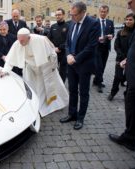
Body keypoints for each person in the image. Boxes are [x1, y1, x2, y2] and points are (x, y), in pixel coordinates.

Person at [108, 0, 135, 168]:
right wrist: (129, 59)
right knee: (131, 110)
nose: (128, 6)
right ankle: (130, 138)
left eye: (130, 1)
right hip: (133, 78)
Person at [0, 28, 69, 117]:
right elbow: (10, 60)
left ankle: (56, 105)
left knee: (49, 87)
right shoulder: (18, 43)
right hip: (30, 68)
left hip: (45, 67)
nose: (20, 42)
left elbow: (52, 53)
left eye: (22, 40)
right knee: (31, 87)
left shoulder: (41, 40)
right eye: (19, 40)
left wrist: (53, 66)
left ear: (29, 37)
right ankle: (35, 106)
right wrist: (5, 71)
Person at [59, 2, 100, 130]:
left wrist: (75, 58)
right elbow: (67, 42)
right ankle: (72, 114)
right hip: (71, 63)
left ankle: (80, 118)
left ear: (83, 12)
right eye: (70, 14)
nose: (72, 17)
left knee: (83, 92)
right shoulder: (72, 23)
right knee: (72, 90)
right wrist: (68, 55)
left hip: (84, 65)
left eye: (74, 15)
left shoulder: (93, 23)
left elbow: (91, 47)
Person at [108, 13, 135, 101]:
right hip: (120, 58)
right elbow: (116, 45)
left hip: (132, 59)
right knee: (117, 76)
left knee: (129, 78)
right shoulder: (121, 32)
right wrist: (122, 56)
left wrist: (128, 58)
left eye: (130, 20)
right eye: (127, 19)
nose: (128, 21)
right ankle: (113, 92)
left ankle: (127, 94)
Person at [93, 5, 115, 93]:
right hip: (97, 47)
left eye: (105, 12)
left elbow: (112, 32)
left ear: (107, 12)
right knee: (99, 66)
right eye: (101, 11)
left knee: (103, 65)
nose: (103, 13)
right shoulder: (94, 22)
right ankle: (99, 83)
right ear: (99, 11)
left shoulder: (110, 22)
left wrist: (111, 36)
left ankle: (95, 80)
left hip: (106, 47)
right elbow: (90, 35)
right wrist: (97, 38)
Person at [48, 8, 70, 82]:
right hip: (54, 52)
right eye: (56, 15)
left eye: (59, 15)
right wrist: (53, 48)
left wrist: (60, 48)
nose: (57, 16)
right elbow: (49, 38)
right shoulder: (53, 26)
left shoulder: (68, 26)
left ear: (63, 15)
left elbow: (68, 40)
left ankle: (62, 87)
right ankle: (55, 86)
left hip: (64, 53)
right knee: (53, 70)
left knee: (63, 72)